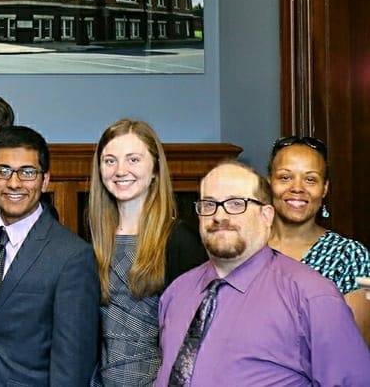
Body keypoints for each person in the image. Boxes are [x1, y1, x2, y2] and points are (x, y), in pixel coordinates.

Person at [156, 161, 370, 385]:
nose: (219, 216)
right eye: (209, 204)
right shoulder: (176, 294)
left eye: (236, 203)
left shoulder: (313, 297)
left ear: (266, 216)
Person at [0, 125, 98, 387]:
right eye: (3, 171)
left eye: (27, 172)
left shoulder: (72, 256)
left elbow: (73, 360)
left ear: (44, 180)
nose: (14, 183)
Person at [86, 119, 206, 386]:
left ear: (154, 170)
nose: (120, 170)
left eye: (133, 159)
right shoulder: (91, 241)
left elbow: (195, 336)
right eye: (109, 161)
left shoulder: (180, 241)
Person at [266, 136, 370, 343]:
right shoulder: (246, 247)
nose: (297, 188)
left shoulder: (351, 256)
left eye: (310, 179)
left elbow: (354, 349)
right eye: (285, 177)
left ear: (324, 188)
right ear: (269, 182)